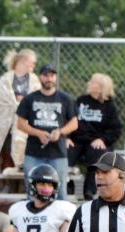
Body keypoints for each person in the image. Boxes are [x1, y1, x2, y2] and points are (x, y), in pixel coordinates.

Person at [16, 64, 77, 200]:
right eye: (46, 75)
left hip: (58, 152)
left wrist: (60, 132)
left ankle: (62, 220)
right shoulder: (30, 99)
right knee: (32, 189)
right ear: (40, 77)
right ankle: (33, 219)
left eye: (52, 75)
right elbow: (20, 124)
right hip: (34, 152)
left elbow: (74, 123)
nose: (49, 78)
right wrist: (38, 133)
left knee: (60, 191)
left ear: (55, 77)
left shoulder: (65, 98)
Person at [68, 73, 122, 201]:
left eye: (92, 82)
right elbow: (69, 119)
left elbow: (116, 129)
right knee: (65, 152)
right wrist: (66, 137)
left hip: (96, 141)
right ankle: (68, 188)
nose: (88, 83)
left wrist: (103, 139)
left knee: (97, 154)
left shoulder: (109, 106)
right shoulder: (81, 101)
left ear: (101, 87)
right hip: (77, 139)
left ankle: (89, 190)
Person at [0, 49, 40, 173]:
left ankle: (20, 185)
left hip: (26, 126)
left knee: (22, 153)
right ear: (23, 61)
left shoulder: (34, 80)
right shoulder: (5, 80)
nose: (33, 66)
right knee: (5, 154)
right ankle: (3, 183)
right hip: (6, 125)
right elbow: (0, 101)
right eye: (32, 63)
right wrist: (18, 102)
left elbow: (37, 100)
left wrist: (22, 102)